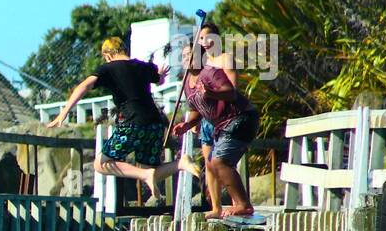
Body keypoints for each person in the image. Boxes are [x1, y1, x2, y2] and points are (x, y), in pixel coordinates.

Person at [47, 37, 198, 204]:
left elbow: (84, 86)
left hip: (133, 123)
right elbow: (159, 79)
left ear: (107, 55)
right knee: (151, 169)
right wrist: (160, 76)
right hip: (155, 124)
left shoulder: (108, 68)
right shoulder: (141, 65)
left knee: (100, 164)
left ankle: (145, 175)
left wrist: (63, 113)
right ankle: (180, 164)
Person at [171, 22, 260, 218]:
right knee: (212, 163)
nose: (187, 59)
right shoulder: (188, 83)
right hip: (224, 123)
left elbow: (230, 92)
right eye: (184, 57)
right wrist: (187, 124)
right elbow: (197, 108)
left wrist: (211, 91)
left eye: (191, 56)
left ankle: (244, 205)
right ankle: (236, 204)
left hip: (241, 118)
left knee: (220, 161)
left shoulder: (209, 73)